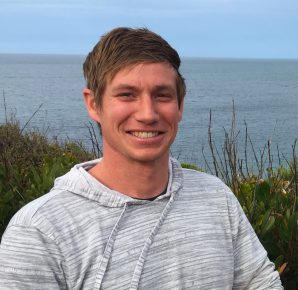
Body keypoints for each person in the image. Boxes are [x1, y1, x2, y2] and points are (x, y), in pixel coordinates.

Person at [0, 27, 283, 289]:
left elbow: (260, 283)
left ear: (180, 105)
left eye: (162, 95)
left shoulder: (216, 198)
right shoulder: (39, 231)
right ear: (93, 104)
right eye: (127, 95)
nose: (148, 113)